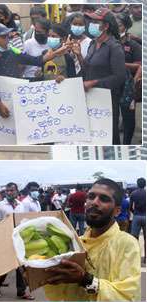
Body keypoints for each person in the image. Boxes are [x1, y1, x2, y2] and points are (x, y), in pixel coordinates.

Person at [44, 178, 141, 301]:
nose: (94, 202)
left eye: (104, 199)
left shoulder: (127, 244)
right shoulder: (75, 243)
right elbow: (59, 292)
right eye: (91, 196)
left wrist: (85, 279)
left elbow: (128, 296)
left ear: (117, 211)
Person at [0, 23, 67, 119]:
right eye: (4, 37)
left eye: (8, 36)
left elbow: (35, 61)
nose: (7, 39)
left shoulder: (13, 52)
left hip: (17, 98)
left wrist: (54, 54)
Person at [81, 8, 126, 145]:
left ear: (106, 26)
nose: (91, 24)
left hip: (107, 101)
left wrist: (93, 83)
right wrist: (78, 55)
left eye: (96, 21)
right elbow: (88, 69)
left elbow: (119, 77)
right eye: (91, 21)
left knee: (109, 137)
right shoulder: (93, 43)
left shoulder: (114, 47)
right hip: (91, 99)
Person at [0, 182, 34, 300]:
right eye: (8, 190)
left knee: (21, 265)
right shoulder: (0, 205)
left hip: (20, 238)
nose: (9, 192)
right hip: (6, 239)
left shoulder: (21, 205)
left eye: (12, 190)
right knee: (6, 266)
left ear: (16, 191)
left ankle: (21, 292)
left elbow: (24, 220)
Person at [115, 13, 142, 145]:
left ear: (125, 27)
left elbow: (139, 66)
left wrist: (123, 65)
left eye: (119, 25)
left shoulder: (134, 45)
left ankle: (126, 143)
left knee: (128, 119)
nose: (116, 27)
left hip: (128, 88)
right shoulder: (109, 42)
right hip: (112, 85)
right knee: (112, 117)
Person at [130, 177, 145, 262]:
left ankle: (135, 258)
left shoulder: (133, 193)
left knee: (135, 238)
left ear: (137, 184)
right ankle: (145, 259)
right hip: (145, 215)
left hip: (136, 216)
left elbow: (130, 207)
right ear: (145, 184)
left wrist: (134, 212)